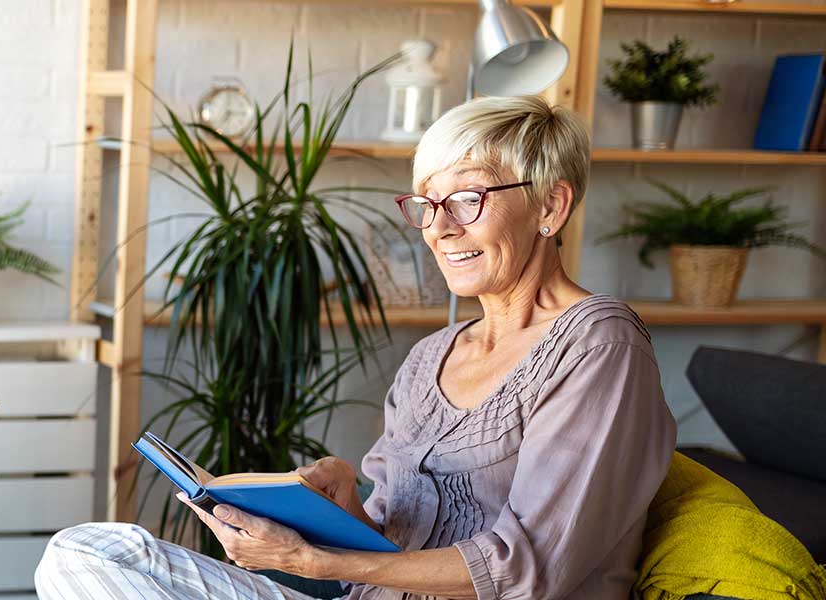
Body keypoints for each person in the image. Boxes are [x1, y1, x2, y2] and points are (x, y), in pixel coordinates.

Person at [35, 96, 678, 600]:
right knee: (86, 553)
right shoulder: (433, 357)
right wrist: (342, 511)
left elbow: (529, 566)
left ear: (551, 206)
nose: (441, 228)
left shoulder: (600, 348)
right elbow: (387, 561)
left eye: (466, 198)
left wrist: (316, 560)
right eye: (426, 203)